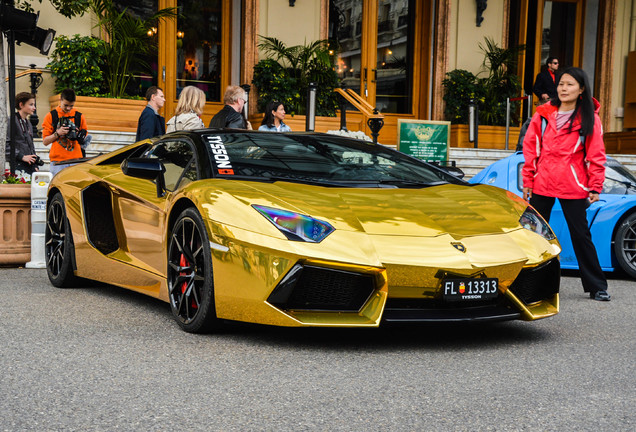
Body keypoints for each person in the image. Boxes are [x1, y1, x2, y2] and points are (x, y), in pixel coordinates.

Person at [522, 67, 610, 301]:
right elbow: (531, 149)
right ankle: (525, 284)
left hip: (573, 183)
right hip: (542, 181)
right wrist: (528, 179)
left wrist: (595, 186)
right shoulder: (542, 115)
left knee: (581, 235)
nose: (563, 88)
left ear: (581, 89)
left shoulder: (589, 117)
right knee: (534, 233)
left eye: (570, 84)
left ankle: (597, 286)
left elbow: (596, 154)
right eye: (561, 84)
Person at [42, 88, 88, 177]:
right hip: (58, 162)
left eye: (71, 106)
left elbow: (84, 138)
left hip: (76, 160)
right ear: (60, 100)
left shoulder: (79, 116)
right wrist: (58, 133)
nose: (68, 108)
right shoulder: (51, 116)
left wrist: (78, 134)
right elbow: (45, 141)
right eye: (66, 105)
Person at [6, 92, 38, 174]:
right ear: (21, 105)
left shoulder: (28, 123)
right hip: (18, 165)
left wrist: (35, 165)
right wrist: (22, 157)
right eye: (31, 104)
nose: (34, 108)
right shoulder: (12, 120)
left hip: (29, 166)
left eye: (34, 105)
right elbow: (5, 145)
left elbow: (31, 145)